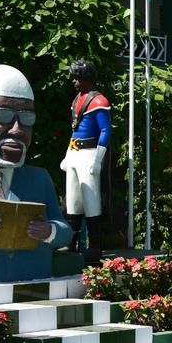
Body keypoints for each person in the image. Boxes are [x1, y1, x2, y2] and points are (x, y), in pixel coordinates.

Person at [0, 65, 73, 282]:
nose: (17, 129)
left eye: (27, 119)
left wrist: (49, 231)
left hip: (32, 288)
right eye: (4, 115)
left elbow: (64, 231)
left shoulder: (39, 178)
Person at [61, 60, 111, 263]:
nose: (74, 81)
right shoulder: (77, 99)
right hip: (75, 153)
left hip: (89, 153)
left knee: (92, 201)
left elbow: (105, 131)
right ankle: (71, 243)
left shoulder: (99, 101)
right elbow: (74, 130)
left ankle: (95, 247)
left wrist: (98, 160)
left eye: (77, 78)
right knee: (72, 202)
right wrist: (67, 155)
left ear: (87, 79)